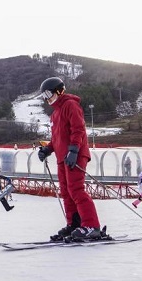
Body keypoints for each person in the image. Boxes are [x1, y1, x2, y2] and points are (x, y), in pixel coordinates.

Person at [37, 77, 103, 241]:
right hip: (62, 157)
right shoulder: (55, 114)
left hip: (75, 155)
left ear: (58, 90)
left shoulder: (70, 105)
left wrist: (74, 149)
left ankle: (91, 225)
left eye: (48, 93)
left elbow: (78, 129)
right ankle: (75, 224)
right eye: (44, 96)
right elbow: (56, 138)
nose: (47, 98)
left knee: (76, 190)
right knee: (66, 193)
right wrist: (47, 149)